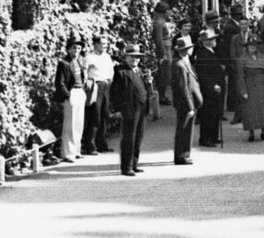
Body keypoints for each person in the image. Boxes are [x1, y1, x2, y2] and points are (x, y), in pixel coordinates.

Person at [110, 45, 156, 176]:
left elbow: (147, 90)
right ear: (126, 58)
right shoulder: (120, 71)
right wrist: (118, 109)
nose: (134, 59)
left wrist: (149, 82)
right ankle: (126, 167)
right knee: (129, 138)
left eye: (137, 57)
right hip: (129, 108)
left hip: (141, 107)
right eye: (131, 57)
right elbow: (114, 92)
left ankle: (134, 164)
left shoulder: (140, 71)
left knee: (139, 137)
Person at [166, 34, 202, 166]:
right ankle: (181, 156)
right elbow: (183, 88)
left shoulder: (185, 62)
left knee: (187, 129)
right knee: (183, 129)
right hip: (184, 102)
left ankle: (185, 154)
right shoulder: (180, 64)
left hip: (188, 101)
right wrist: (190, 106)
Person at [236, 26, 264, 142]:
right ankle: (251, 133)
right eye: (251, 46)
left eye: (255, 45)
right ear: (247, 46)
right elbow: (240, 76)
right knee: (250, 111)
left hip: (261, 87)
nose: (253, 47)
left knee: (263, 110)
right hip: (250, 87)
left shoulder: (261, 57)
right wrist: (243, 91)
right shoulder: (242, 59)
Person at [192, 29, 228, 148]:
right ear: (206, 42)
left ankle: (213, 136)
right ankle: (206, 138)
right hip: (209, 89)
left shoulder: (211, 52)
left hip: (216, 87)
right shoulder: (203, 54)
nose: (214, 41)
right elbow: (203, 74)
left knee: (215, 113)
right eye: (212, 40)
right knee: (208, 114)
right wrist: (213, 85)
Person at [82, 35, 113, 155]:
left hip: (106, 85)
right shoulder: (89, 57)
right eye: (102, 44)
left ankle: (102, 145)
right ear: (95, 44)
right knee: (95, 115)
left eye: (106, 44)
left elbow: (110, 70)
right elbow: (84, 72)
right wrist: (87, 84)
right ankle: (90, 146)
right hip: (95, 86)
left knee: (104, 115)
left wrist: (110, 81)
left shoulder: (107, 56)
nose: (105, 46)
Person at [53, 38, 83, 161]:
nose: (76, 50)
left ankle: (76, 150)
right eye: (74, 48)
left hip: (80, 92)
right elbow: (59, 83)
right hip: (72, 94)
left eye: (79, 48)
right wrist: (67, 95)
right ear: (69, 49)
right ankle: (68, 153)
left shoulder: (78, 61)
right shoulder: (64, 63)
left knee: (78, 124)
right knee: (69, 125)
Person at [149, 3, 175, 106]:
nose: (170, 13)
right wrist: (163, 54)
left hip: (167, 49)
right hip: (164, 51)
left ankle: (163, 96)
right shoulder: (158, 23)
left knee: (166, 73)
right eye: (168, 10)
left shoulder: (161, 22)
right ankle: (161, 97)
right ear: (163, 11)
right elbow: (158, 40)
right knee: (164, 74)